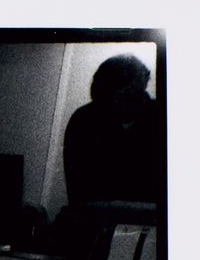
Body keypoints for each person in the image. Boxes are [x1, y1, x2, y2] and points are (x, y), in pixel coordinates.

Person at [63, 54, 161, 207]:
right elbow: (77, 189)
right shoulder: (84, 120)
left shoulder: (162, 118)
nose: (118, 105)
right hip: (95, 217)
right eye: (110, 100)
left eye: (127, 98)